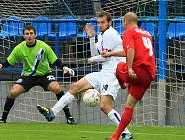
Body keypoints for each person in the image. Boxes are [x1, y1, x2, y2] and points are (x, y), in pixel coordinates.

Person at [36, 11, 133, 139]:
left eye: (103, 22)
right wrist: (92, 38)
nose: (100, 25)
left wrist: (92, 60)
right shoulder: (102, 35)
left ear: (109, 23)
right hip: (104, 72)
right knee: (75, 87)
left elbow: (104, 57)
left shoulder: (111, 34)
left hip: (114, 73)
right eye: (98, 22)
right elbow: (95, 54)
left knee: (104, 106)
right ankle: (52, 113)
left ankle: (126, 132)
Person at [0, 25, 76, 124]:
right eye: (27, 34)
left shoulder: (43, 46)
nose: (29, 36)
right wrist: (0, 65)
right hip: (27, 76)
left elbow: (55, 60)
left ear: (35, 35)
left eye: (31, 33)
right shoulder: (19, 48)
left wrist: (64, 67)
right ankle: (3, 119)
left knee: (57, 88)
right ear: (24, 36)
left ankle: (69, 117)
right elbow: (9, 61)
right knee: (13, 93)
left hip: (44, 75)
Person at [105, 12, 155, 140]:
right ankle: (116, 136)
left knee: (118, 67)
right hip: (148, 75)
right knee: (129, 105)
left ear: (125, 21)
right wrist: (112, 54)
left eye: (123, 22)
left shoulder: (129, 32)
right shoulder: (147, 34)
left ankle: (123, 82)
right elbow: (130, 50)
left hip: (137, 70)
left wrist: (130, 68)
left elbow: (131, 50)